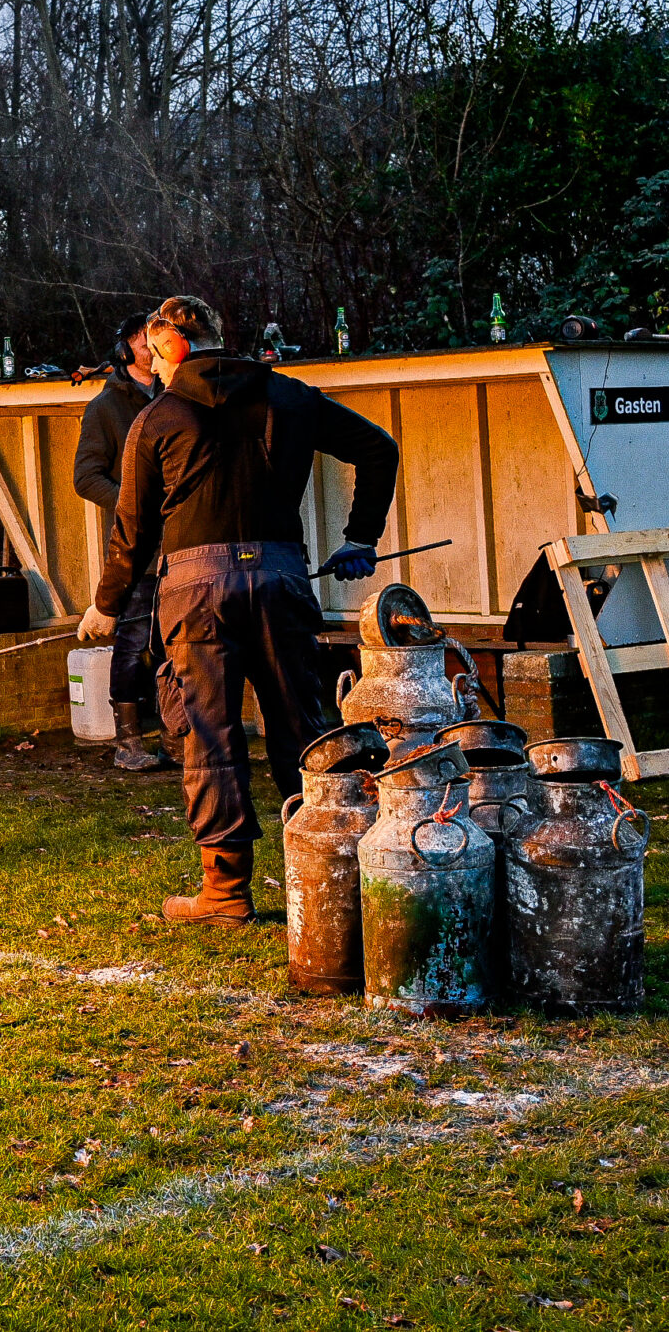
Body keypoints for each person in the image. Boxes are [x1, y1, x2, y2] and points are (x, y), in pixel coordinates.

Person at [78, 295, 399, 924]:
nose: (156, 368)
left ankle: (224, 893)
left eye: (155, 353)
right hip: (281, 583)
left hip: (194, 597)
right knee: (301, 729)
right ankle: (335, 869)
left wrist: (107, 605)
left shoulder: (158, 417)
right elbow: (379, 449)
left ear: (168, 344)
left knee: (208, 735)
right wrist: (360, 537)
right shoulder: (291, 396)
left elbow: (132, 527)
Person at [72, 312, 169, 771]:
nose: (153, 348)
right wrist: (133, 504)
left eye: (158, 340)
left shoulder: (178, 396)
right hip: (136, 548)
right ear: (126, 349)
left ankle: (177, 736)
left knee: (178, 646)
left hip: (184, 543)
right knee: (132, 641)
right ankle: (129, 742)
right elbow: (86, 477)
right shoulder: (105, 408)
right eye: (144, 340)